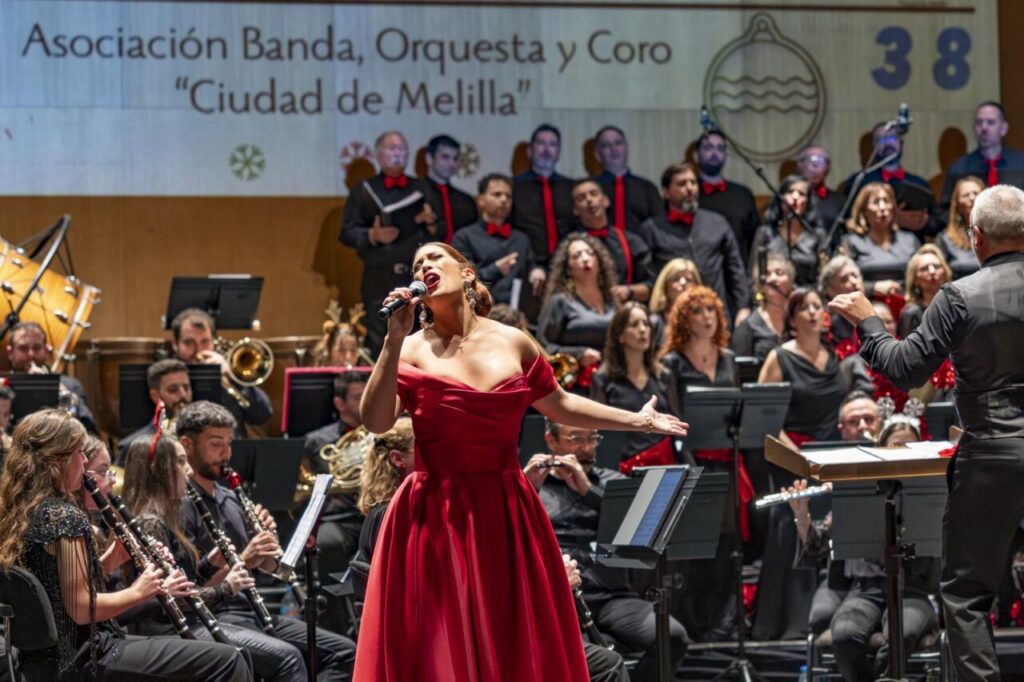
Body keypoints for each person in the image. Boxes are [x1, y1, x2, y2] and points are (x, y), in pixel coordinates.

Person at [354, 241, 686, 680]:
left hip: (504, 510)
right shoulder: (410, 348)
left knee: (511, 638)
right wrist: (392, 340)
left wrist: (639, 421)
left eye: (434, 257)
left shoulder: (513, 341)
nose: (424, 266)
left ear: (467, 274)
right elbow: (376, 421)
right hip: (435, 510)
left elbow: (561, 404)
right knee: (438, 643)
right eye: (417, 263)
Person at [828, 184, 1024, 680]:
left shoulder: (960, 296)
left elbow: (905, 369)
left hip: (993, 459)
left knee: (965, 595)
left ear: (976, 238)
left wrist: (868, 321)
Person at [0, 409, 250, 681]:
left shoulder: (22, 511)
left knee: (231, 655)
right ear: (56, 460)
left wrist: (110, 560)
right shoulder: (64, 516)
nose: (84, 461)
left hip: (43, 662)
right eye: (78, 453)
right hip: (87, 657)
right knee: (228, 659)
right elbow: (82, 608)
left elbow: (55, 586)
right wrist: (143, 590)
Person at [177, 401, 356, 681]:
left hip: (249, 610)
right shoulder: (181, 506)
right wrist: (246, 558)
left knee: (345, 652)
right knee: (289, 658)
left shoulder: (232, 499)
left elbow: (272, 572)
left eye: (229, 443)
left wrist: (267, 545)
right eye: (216, 444)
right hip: (213, 615)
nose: (226, 453)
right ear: (187, 444)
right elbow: (189, 593)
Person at [121, 435, 308, 682]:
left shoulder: (166, 517)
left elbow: (181, 582)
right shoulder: (150, 522)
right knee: (287, 657)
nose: (188, 470)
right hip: (169, 629)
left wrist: (210, 565)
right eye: (180, 462)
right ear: (159, 471)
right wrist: (226, 588)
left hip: (188, 622)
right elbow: (174, 599)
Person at [525, 419, 688, 681]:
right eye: (575, 438)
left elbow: (641, 530)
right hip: (560, 599)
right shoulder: (533, 489)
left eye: (593, 439)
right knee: (579, 657)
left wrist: (589, 491)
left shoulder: (614, 483)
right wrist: (526, 488)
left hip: (612, 597)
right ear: (550, 440)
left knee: (672, 636)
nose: (586, 448)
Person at [657, 285, 744, 639]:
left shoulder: (728, 359)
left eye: (711, 310)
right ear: (683, 319)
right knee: (692, 548)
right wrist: (692, 469)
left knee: (727, 545)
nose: (706, 317)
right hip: (692, 465)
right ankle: (690, 622)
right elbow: (673, 419)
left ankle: (720, 624)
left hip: (727, 463)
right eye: (697, 311)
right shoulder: (672, 363)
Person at [788, 477, 938, 682]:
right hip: (864, 590)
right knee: (843, 634)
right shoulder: (857, 497)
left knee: (900, 636)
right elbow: (816, 545)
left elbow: (929, 553)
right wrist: (801, 514)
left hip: (910, 590)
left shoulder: (919, 501)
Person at [339, 131, 438, 352]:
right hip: (379, 276)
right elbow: (346, 232)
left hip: (414, 276)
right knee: (378, 339)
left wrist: (431, 223)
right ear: (378, 154)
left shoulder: (421, 188)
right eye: (392, 149)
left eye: (402, 149)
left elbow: (439, 232)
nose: (398, 154)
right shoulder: (364, 190)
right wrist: (373, 236)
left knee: (419, 339)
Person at [639, 162, 750, 323]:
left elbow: (735, 269)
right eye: (682, 184)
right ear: (666, 191)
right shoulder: (651, 229)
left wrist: (743, 307)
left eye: (693, 182)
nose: (690, 188)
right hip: (672, 317)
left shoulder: (717, 222)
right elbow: (648, 277)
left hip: (716, 315)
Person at [590, 302, 680, 471]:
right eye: (634, 324)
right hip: (622, 470)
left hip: (664, 466)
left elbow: (676, 424)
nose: (642, 329)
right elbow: (600, 430)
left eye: (646, 324)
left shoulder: (664, 375)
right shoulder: (603, 379)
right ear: (620, 335)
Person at [301, 369, 368, 584]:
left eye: (368, 395)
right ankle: (336, 613)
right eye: (358, 398)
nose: (366, 401)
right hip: (339, 517)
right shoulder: (317, 440)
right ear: (340, 403)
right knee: (327, 542)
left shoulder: (384, 433)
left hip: (375, 514)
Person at [759, 288, 847, 449]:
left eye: (817, 306)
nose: (812, 312)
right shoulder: (779, 357)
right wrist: (796, 455)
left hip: (835, 447)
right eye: (804, 308)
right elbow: (764, 414)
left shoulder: (834, 353)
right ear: (792, 320)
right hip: (794, 449)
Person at [170, 308, 273, 436]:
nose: (198, 350)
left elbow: (263, 414)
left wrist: (232, 377)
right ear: (175, 344)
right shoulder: (166, 376)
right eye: (189, 343)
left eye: (205, 341)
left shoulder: (225, 374)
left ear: (214, 341)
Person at [536, 233, 619, 391]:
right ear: (568, 268)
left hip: (612, 380)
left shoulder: (612, 301)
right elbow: (542, 346)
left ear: (599, 262)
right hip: (575, 383)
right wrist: (578, 353)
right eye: (577, 255)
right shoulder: (560, 301)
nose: (585, 258)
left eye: (590, 253)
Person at [451, 172, 540, 305]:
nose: (504, 199)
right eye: (497, 194)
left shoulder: (521, 239)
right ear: (480, 200)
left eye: (508, 196)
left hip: (517, 313)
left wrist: (538, 271)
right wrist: (496, 268)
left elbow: (531, 267)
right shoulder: (464, 237)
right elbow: (461, 280)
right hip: (480, 312)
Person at [841, 122, 938, 237]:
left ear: (901, 143)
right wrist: (894, 218)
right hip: (870, 249)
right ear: (874, 146)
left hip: (912, 249)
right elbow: (847, 221)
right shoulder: (859, 181)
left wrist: (923, 222)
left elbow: (937, 224)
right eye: (881, 140)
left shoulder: (919, 184)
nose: (887, 143)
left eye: (892, 138)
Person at [571, 179, 654, 303]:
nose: (589, 200)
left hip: (624, 312)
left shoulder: (632, 242)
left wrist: (629, 291)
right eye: (581, 198)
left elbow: (651, 285)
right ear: (575, 210)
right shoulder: (570, 246)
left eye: (593, 194)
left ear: (606, 201)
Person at [6, 321, 97, 433]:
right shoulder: (2, 385)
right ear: (10, 352)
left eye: (37, 347)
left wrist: (62, 392)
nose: (31, 354)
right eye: (23, 348)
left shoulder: (70, 386)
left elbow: (90, 430)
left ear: (46, 349)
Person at [511, 124, 575, 275]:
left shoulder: (572, 188)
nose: (547, 149)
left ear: (558, 152)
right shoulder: (514, 186)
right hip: (526, 267)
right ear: (529, 151)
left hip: (568, 266)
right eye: (541, 143)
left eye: (553, 144)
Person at [941, 101, 1024, 210]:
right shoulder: (959, 169)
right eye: (979, 122)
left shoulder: (1021, 164)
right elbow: (946, 211)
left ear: (1004, 128)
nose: (984, 127)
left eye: (990, 122)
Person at [692, 129, 760, 256]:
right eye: (708, 148)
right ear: (696, 155)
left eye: (720, 148)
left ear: (725, 156)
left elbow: (755, 239)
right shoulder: (688, 193)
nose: (714, 153)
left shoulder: (743, 194)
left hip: (739, 270)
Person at [840, 183, 921, 284]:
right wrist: (873, 288)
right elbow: (842, 282)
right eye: (876, 202)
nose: (883, 207)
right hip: (867, 297)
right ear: (864, 210)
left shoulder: (910, 240)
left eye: (886, 201)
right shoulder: (851, 242)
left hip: (908, 296)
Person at [752, 175, 825, 286]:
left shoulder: (817, 235)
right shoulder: (765, 233)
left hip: (808, 298)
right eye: (790, 192)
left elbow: (824, 276)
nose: (795, 197)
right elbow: (754, 274)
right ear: (781, 198)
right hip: (773, 298)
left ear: (808, 202)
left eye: (801, 194)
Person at [117, 358, 192, 464]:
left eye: (186, 388)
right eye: (173, 390)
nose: (183, 395)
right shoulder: (133, 446)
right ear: (155, 396)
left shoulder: (202, 440)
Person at [591, 125, 664, 232]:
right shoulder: (590, 189)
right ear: (597, 154)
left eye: (618, 143)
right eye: (606, 145)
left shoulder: (647, 188)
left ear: (627, 148)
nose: (614, 148)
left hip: (641, 247)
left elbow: (659, 227)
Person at [731, 254, 793, 362]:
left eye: (779, 273)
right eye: (767, 274)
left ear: (791, 281)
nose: (773, 279)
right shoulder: (748, 327)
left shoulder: (799, 321)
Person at [420, 134, 478, 243]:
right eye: (445, 157)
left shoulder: (466, 201)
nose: (452, 164)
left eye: (455, 158)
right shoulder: (413, 196)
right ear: (429, 159)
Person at [897, 245, 954, 338]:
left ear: (945, 272)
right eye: (924, 268)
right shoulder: (911, 313)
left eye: (936, 266)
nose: (932, 271)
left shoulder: (955, 306)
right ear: (915, 279)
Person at [797, 144, 846, 244]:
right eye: (811, 160)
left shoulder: (840, 200)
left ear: (828, 168)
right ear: (800, 165)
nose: (816, 166)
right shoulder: (789, 200)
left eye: (822, 161)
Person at [937, 175, 984, 278]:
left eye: (976, 193)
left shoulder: (998, 232)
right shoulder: (945, 239)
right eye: (966, 195)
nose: (972, 198)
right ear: (957, 205)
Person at [648, 257, 702, 346]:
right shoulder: (654, 323)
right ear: (665, 287)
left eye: (689, 280)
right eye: (676, 279)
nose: (683, 283)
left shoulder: (705, 320)